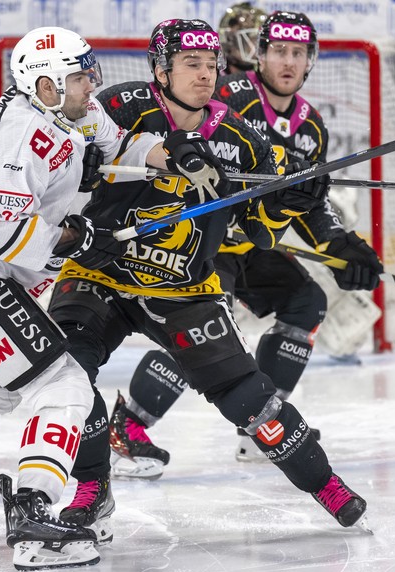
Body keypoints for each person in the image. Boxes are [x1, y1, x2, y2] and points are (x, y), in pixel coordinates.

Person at [0, 26, 207, 571]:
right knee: (65, 381)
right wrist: (75, 239)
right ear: (46, 84)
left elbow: (114, 143)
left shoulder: (67, 108)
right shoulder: (22, 133)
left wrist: (168, 154)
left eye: (88, 72)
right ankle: (32, 515)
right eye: (79, 77)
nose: (90, 84)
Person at [46, 18, 370, 535]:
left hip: (184, 287)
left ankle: (324, 482)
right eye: (191, 64)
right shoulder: (121, 107)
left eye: (211, 64)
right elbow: (65, 150)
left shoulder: (240, 136)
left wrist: (289, 202)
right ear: (160, 70)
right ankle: (92, 488)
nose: (205, 74)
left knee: (249, 399)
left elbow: (259, 233)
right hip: (100, 273)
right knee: (66, 373)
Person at [111, 10, 384, 474]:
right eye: (279, 50)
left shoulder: (311, 125)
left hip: (249, 245)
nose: (288, 62)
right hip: (200, 242)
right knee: (201, 329)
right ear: (258, 55)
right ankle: (129, 425)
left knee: (306, 301)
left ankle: (262, 427)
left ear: (311, 60)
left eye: (298, 53)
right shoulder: (231, 97)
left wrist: (338, 243)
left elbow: (308, 199)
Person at [218, 1, 267, 74]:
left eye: (258, 40)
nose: (257, 47)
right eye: (248, 38)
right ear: (230, 41)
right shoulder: (215, 79)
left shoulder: (265, 79)